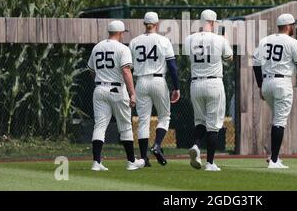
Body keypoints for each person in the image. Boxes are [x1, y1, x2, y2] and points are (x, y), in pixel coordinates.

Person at [252, 13, 297, 169]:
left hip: (266, 83)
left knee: (276, 119)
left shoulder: (265, 40)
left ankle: (273, 156)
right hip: (282, 82)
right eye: (294, 25)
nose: (294, 28)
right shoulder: (292, 42)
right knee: (279, 121)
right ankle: (274, 160)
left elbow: (256, 64)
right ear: (288, 26)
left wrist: (260, 86)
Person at [87, 20, 145, 171]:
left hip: (99, 89)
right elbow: (126, 71)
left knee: (99, 126)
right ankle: (131, 161)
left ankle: (96, 162)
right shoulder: (122, 48)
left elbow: (91, 71)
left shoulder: (97, 47)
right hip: (117, 90)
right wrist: (132, 94)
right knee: (125, 127)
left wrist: (100, 81)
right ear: (120, 33)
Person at [129, 12, 180, 167]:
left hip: (141, 81)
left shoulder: (134, 42)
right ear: (157, 24)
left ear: (144, 24)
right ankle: (157, 145)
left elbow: (128, 67)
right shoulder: (163, 40)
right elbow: (172, 67)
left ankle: (144, 158)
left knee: (143, 121)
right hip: (158, 80)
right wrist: (176, 87)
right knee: (164, 116)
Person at [185, 10, 233, 171]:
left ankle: (196, 146)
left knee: (200, 121)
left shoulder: (189, 39)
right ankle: (210, 163)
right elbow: (229, 58)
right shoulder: (219, 39)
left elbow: (189, 58)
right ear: (212, 22)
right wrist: (225, 39)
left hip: (196, 83)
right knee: (213, 125)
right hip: (214, 83)